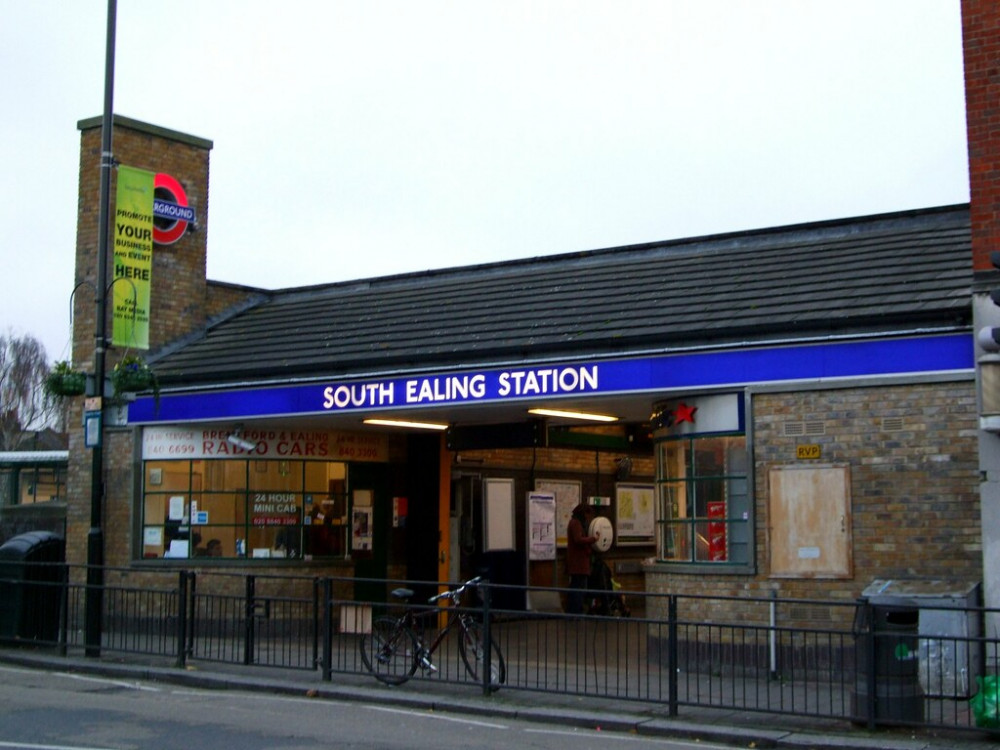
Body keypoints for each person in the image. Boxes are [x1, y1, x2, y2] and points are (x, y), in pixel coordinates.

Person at [566, 503, 599, 614]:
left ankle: (576, 609)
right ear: (583, 513)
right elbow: (578, 539)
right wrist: (593, 539)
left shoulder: (577, 522)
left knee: (578, 586)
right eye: (587, 514)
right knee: (578, 587)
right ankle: (575, 610)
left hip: (579, 562)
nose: (588, 517)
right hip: (578, 562)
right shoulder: (576, 523)